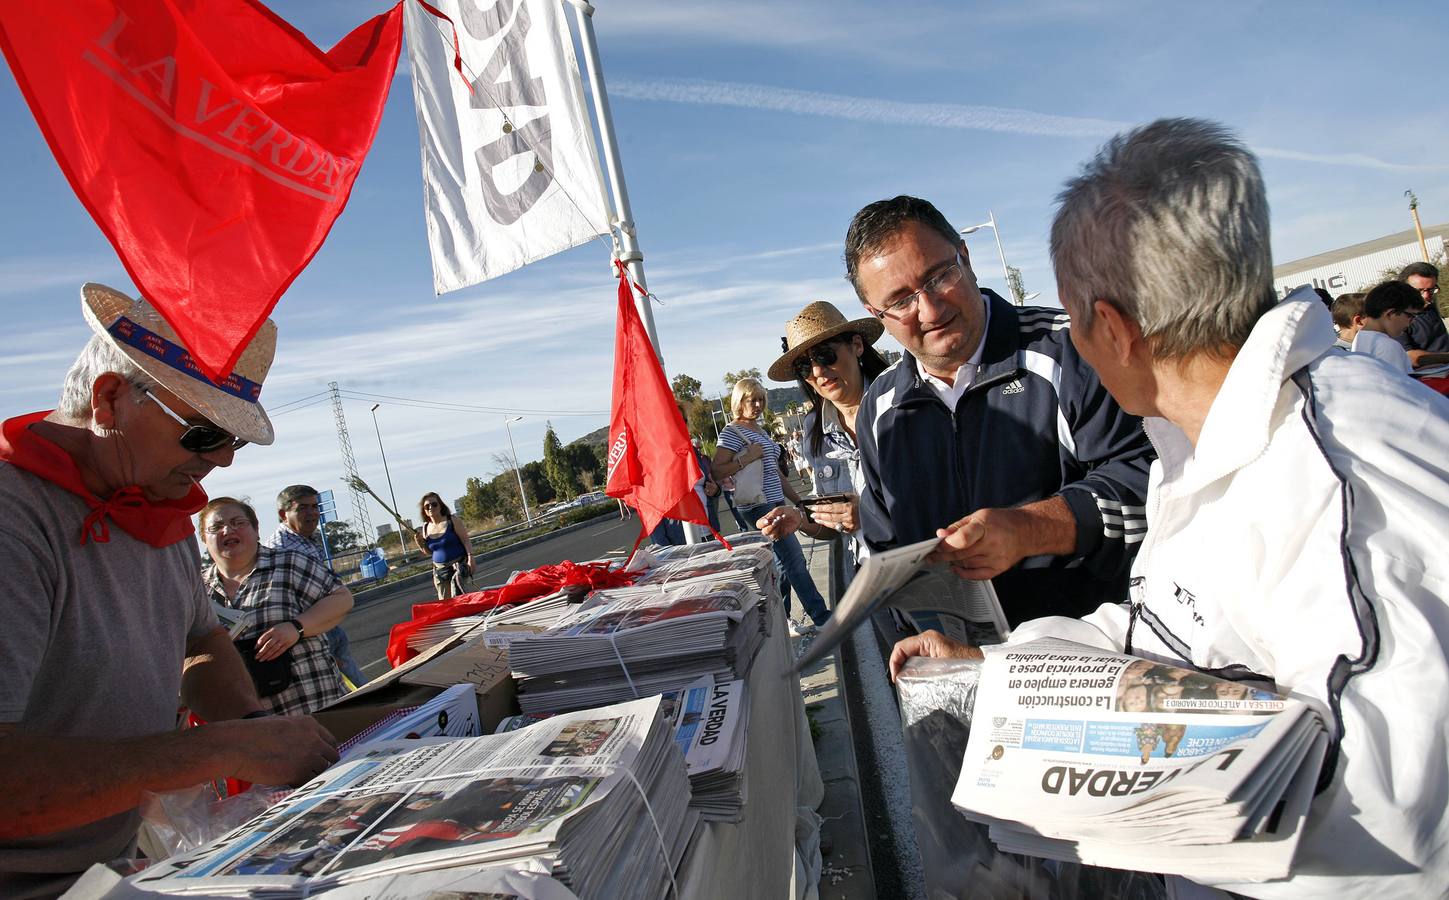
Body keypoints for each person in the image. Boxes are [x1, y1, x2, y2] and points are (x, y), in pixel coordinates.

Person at [892, 118, 1449, 897]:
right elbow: (1158, 629)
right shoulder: (1197, 443)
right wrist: (992, 671)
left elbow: (1384, 830)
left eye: (1073, 317)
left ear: (1111, 329)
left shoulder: (1346, 478)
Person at [0, 284, 338, 898]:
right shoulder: (13, 521)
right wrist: (217, 750)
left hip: (103, 871)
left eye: (231, 441)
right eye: (204, 434)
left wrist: (253, 728)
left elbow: (201, 638)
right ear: (109, 400)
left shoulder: (157, 514)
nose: (224, 463)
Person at [843, 195, 1155, 624]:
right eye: (900, 301)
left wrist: (1032, 528)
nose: (930, 310)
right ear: (874, 314)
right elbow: (885, 550)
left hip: (1084, 663)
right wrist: (915, 644)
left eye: (939, 276)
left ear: (965, 257)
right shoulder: (878, 407)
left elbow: (1155, 489)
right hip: (955, 666)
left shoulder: (1075, 352)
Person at [755, 301, 891, 570]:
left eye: (825, 355)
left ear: (857, 345)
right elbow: (834, 525)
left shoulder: (901, 404)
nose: (817, 372)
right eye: (804, 367)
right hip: (865, 581)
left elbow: (944, 496)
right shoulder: (814, 428)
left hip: (926, 575)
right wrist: (801, 519)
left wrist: (868, 514)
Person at [202, 497, 354, 716]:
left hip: (317, 710)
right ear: (204, 539)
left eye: (238, 523)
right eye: (216, 527)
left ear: (256, 530)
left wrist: (296, 628)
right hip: (251, 730)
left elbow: (342, 599)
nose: (227, 530)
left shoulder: (289, 563)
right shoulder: (196, 591)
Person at [711, 377, 831, 633]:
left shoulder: (760, 431)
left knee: (782, 566)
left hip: (775, 501)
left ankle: (783, 621)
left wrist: (798, 500)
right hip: (757, 505)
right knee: (794, 559)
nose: (757, 404)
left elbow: (776, 474)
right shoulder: (732, 432)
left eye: (760, 399)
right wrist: (746, 459)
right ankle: (822, 617)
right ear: (738, 402)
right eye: (750, 399)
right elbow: (716, 469)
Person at [263, 484, 369, 686]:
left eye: (314, 506)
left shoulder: (305, 540)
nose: (312, 513)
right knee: (351, 693)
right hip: (309, 634)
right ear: (283, 514)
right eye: (302, 508)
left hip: (328, 626)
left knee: (356, 686)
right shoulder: (281, 551)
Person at [1349, 281, 1417, 374]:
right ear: (1390, 313)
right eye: (1410, 316)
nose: (1412, 322)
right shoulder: (1388, 346)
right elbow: (1399, 386)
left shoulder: (1359, 338)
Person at [414, 492, 472, 600]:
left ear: (440, 505)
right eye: (427, 506)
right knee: (445, 602)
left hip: (458, 567)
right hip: (440, 571)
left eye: (434, 504)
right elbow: (430, 552)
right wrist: (420, 544)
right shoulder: (426, 527)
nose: (431, 507)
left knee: (461, 598)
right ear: (424, 510)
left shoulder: (452, 520)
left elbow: (466, 541)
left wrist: (470, 559)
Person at [1395, 261, 1449, 369]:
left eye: (1431, 290)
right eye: (1419, 291)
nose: (1426, 295)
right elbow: (1410, 358)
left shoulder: (1430, 307)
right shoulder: (1397, 318)